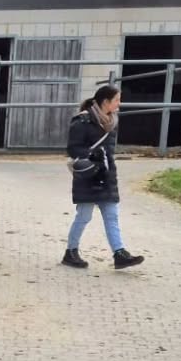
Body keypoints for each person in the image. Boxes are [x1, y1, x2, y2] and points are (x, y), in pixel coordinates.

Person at [63, 85, 144, 270]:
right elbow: (73, 148)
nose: (119, 103)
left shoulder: (112, 121)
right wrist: (93, 155)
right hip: (89, 175)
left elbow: (109, 151)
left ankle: (119, 253)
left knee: (112, 215)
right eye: (116, 99)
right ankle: (71, 251)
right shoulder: (82, 121)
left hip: (106, 175)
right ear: (105, 101)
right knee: (84, 216)